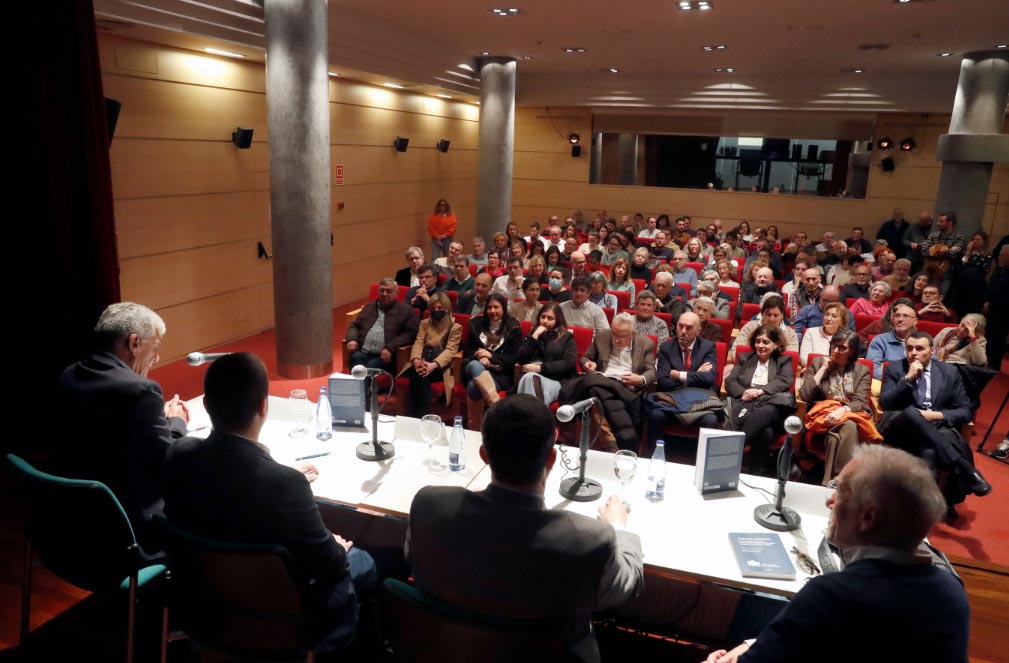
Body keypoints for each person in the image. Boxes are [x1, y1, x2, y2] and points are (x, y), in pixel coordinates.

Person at [164, 353, 377, 656]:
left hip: (204, 610)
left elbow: (222, 471)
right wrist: (339, 549)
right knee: (365, 561)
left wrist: (278, 471)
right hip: (281, 623)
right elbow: (329, 565)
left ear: (207, 405)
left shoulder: (179, 455)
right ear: (264, 406)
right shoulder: (285, 484)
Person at [405, 395, 644, 663]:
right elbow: (628, 584)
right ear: (552, 459)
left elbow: (414, 559)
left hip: (447, 651)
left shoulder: (428, 504)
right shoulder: (591, 540)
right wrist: (618, 525)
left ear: (484, 455)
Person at [705, 446, 969, 663]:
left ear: (869, 517)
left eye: (841, 491)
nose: (829, 501)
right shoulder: (953, 592)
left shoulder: (831, 596)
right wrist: (753, 645)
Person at [56, 302, 189, 558]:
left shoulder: (67, 376)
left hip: (70, 528)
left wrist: (153, 419)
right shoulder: (140, 390)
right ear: (134, 343)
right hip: (128, 533)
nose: (157, 357)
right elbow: (169, 459)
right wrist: (176, 421)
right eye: (155, 347)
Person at [879, 330, 991, 502]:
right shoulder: (895, 369)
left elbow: (965, 410)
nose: (913, 353)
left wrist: (933, 415)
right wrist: (907, 379)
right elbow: (885, 403)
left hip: (935, 429)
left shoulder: (949, 372)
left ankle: (926, 507)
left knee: (930, 452)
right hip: (901, 430)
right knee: (911, 412)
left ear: (932, 350)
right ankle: (966, 468)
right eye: (909, 348)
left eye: (919, 348)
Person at [563, 313, 656, 451]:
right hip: (603, 379)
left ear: (632, 334)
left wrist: (640, 379)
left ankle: (608, 443)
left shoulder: (645, 344)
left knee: (593, 388)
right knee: (595, 388)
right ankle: (614, 442)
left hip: (625, 387)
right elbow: (585, 358)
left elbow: (651, 371)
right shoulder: (602, 337)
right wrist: (588, 363)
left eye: (622, 336)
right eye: (614, 334)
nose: (617, 339)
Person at [799, 330, 874, 483]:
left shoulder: (861, 371)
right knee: (849, 426)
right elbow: (805, 395)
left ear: (852, 351)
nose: (836, 351)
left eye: (842, 348)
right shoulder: (818, 363)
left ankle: (830, 482)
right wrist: (823, 369)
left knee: (835, 438)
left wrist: (842, 410)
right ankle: (844, 482)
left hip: (847, 415)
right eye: (834, 346)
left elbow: (860, 401)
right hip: (822, 417)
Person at [724, 324, 796, 476]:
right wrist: (743, 392)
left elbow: (785, 380)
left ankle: (731, 450)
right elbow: (730, 381)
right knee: (766, 432)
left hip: (773, 409)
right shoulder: (745, 358)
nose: (760, 345)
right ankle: (755, 473)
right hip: (746, 406)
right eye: (758, 341)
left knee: (767, 410)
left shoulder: (783, 361)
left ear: (776, 344)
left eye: (766, 342)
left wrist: (760, 391)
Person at [646, 312, 720, 448]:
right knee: (656, 415)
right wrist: (696, 375)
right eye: (680, 326)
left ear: (698, 331)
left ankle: (701, 459)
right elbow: (663, 382)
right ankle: (652, 456)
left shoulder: (708, 347)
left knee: (711, 420)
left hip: (698, 402)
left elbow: (709, 378)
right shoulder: (666, 347)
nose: (683, 331)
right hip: (672, 401)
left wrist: (679, 375)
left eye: (689, 328)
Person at [461, 293, 522, 429]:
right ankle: (499, 410)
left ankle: (475, 429)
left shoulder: (513, 326)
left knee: (473, 387)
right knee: (474, 364)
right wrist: (480, 356)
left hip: (500, 374)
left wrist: (491, 356)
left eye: (496, 307)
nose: (492, 311)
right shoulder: (476, 323)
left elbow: (514, 357)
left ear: (503, 308)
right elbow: (467, 351)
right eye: (489, 307)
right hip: (474, 367)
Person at [398, 292, 462, 418]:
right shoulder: (425, 323)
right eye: (433, 308)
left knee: (422, 376)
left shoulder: (455, 327)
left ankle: (422, 414)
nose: (436, 310)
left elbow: (450, 350)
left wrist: (433, 365)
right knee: (417, 374)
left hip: (440, 365)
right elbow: (418, 342)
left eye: (439, 308)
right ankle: (417, 414)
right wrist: (416, 361)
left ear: (447, 308)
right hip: (422, 360)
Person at [515, 304, 578, 406]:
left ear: (558, 320)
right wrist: (534, 336)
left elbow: (569, 363)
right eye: (543, 317)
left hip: (557, 379)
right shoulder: (534, 334)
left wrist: (541, 368)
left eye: (550, 318)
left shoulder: (566, 337)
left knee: (530, 378)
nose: (545, 321)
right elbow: (521, 359)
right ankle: (537, 414)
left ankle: (533, 414)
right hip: (531, 377)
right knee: (529, 378)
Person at [731, 294, 798, 361]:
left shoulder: (791, 334)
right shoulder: (749, 327)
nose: (771, 319)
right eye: (768, 315)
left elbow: (791, 359)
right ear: (762, 314)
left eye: (775, 315)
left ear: (782, 315)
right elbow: (735, 351)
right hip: (749, 365)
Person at [864, 298, 917, 379]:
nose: (900, 319)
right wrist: (898, 381)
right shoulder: (880, 340)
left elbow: (933, 367)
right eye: (897, 316)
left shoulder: (923, 342)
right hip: (889, 383)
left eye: (905, 316)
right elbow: (873, 368)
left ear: (915, 321)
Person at [919, 212, 966, 297]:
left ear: (950, 222)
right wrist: (946, 250)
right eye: (938, 221)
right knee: (925, 294)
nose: (937, 223)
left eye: (941, 221)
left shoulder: (958, 237)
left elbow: (956, 254)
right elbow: (923, 250)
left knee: (941, 296)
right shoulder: (934, 236)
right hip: (930, 270)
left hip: (947, 272)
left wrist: (934, 250)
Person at [799, 301, 849, 369]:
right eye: (827, 314)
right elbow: (804, 360)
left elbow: (848, 363)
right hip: (813, 372)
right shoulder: (811, 332)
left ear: (842, 321)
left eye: (834, 316)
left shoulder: (847, 338)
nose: (828, 318)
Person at [983, 244, 1009, 370]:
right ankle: (986, 360)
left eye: (1001, 255)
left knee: (998, 338)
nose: (998, 257)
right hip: (991, 309)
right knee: (989, 335)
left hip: (1003, 311)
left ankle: (994, 364)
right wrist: (986, 302)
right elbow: (991, 286)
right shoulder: (999, 270)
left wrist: (992, 305)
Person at [957, 231, 993, 315]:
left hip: (976, 287)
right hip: (963, 285)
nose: (975, 242)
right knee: (959, 308)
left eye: (978, 240)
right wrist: (968, 252)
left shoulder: (987, 256)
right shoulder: (968, 254)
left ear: (984, 242)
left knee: (972, 309)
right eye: (974, 239)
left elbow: (985, 271)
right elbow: (961, 265)